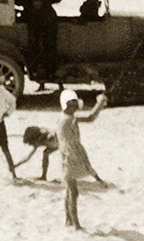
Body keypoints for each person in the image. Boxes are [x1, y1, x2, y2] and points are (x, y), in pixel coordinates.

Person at [57, 89, 107, 230]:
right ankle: (76, 224)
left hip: (67, 155)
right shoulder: (69, 119)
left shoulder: (64, 117)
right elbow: (90, 117)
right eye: (72, 105)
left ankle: (68, 219)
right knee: (73, 192)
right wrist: (100, 103)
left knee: (69, 190)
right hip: (70, 156)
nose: (75, 107)